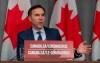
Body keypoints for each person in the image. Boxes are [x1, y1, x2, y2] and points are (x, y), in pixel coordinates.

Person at [17, 5, 91, 60]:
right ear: (30, 18)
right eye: (37, 15)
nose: (40, 18)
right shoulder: (23, 35)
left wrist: (77, 52)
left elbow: (62, 54)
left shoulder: (54, 33)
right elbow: (21, 57)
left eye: (42, 15)